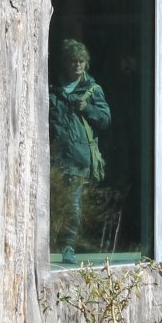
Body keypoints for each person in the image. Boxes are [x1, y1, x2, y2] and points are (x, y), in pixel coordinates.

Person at [48, 38, 110, 264]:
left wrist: (88, 108)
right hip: (53, 158)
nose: (77, 65)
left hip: (77, 158)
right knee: (52, 205)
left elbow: (105, 119)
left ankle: (69, 247)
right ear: (65, 62)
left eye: (81, 61)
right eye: (73, 61)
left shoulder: (92, 90)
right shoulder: (51, 87)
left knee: (73, 206)